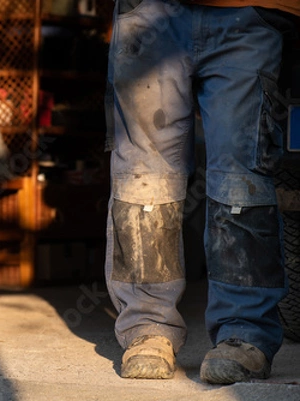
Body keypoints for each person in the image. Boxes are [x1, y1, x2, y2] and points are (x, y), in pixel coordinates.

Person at [104, 0, 299, 384]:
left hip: (252, 11)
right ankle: (148, 326)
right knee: (144, 180)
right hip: (150, 13)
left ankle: (243, 333)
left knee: (242, 178)